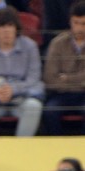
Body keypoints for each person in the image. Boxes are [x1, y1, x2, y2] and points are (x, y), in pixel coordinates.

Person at [0, 7, 44, 136]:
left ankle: (22, 149)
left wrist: (13, 90)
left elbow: (33, 78)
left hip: (22, 98)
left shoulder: (30, 46)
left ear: (16, 28)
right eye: (1, 26)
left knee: (34, 106)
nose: (6, 31)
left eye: (10, 26)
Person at [42, 0, 85, 136]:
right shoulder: (57, 43)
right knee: (50, 110)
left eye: (83, 24)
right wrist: (80, 81)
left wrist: (66, 78)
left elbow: (58, 78)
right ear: (70, 22)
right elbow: (50, 79)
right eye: (75, 23)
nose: (79, 28)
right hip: (61, 94)